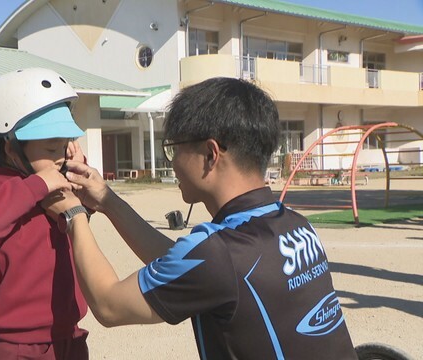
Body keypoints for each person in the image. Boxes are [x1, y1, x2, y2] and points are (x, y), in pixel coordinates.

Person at [45, 77, 357, 359]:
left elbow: (108, 305)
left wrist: (74, 213)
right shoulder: (293, 223)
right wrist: (107, 200)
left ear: (210, 154)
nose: (172, 165)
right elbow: (187, 265)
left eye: (173, 149)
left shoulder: (219, 254)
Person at [0, 68, 89, 360]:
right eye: (51, 146)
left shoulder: (60, 180)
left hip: (70, 334)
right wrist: (38, 185)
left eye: (66, 145)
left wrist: (80, 172)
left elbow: (84, 214)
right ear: (10, 147)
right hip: (18, 346)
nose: (60, 155)